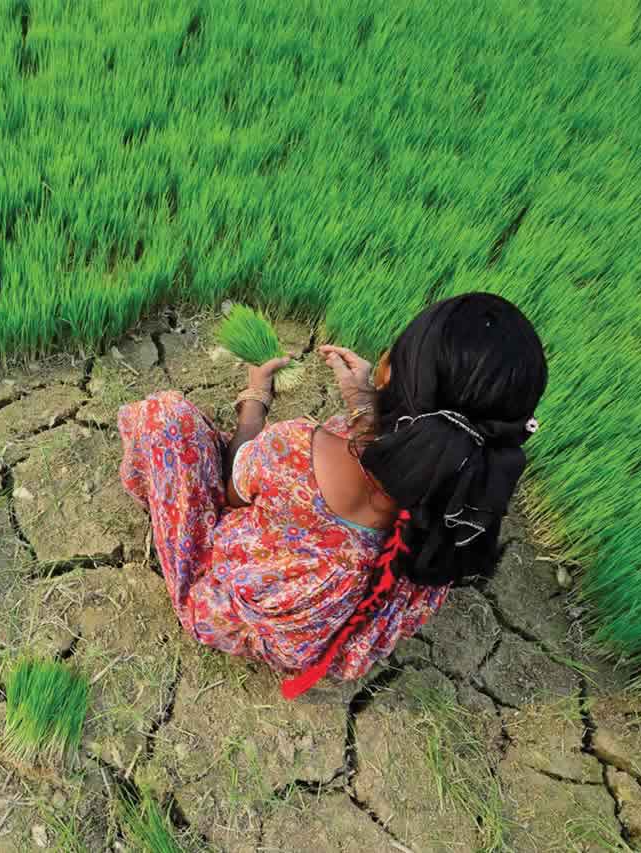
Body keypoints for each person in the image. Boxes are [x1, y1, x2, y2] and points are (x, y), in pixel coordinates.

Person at [117, 293, 547, 698]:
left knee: (166, 417)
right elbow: (400, 470)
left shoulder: (295, 449)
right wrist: (364, 405)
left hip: (241, 615)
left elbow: (231, 492)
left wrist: (255, 401)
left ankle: (190, 581)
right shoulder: (468, 488)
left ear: (385, 369)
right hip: (327, 637)